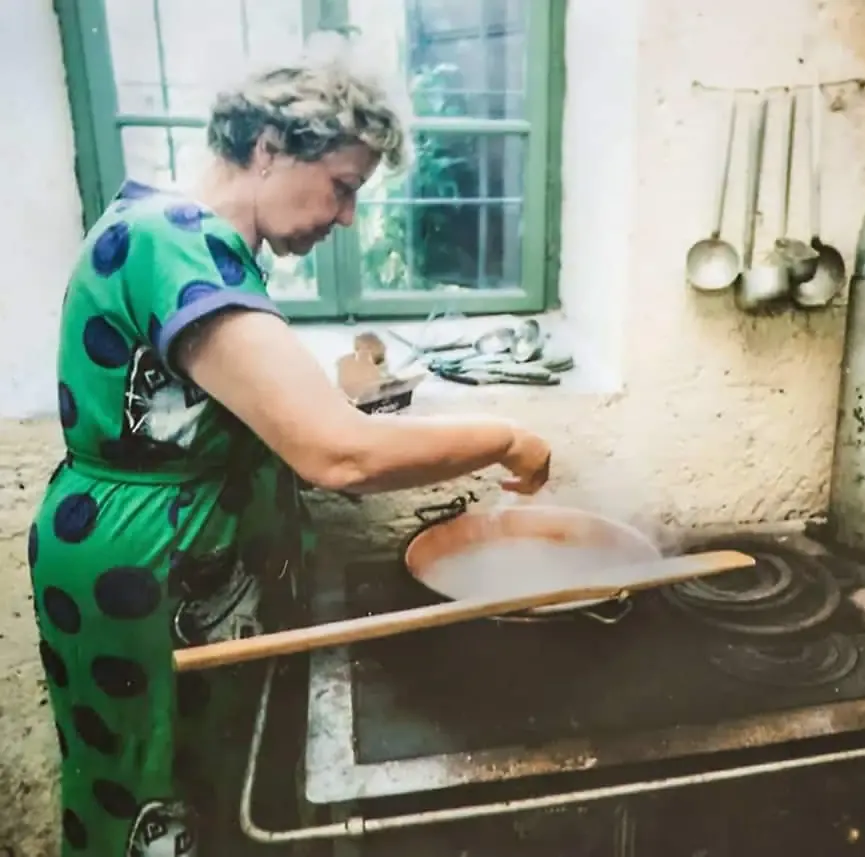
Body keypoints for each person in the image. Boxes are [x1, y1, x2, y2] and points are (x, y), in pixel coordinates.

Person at [28, 56, 551, 857]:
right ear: (267, 146)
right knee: (158, 794)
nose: (347, 219)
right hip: (145, 575)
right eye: (342, 186)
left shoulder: (180, 234)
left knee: (203, 790)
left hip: (171, 561)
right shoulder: (178, 245)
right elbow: (335, 454)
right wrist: (507, 439)